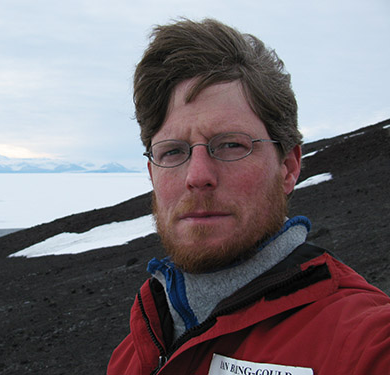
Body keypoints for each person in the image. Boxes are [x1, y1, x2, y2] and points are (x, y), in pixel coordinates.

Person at [107, 18, 390, 375]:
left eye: (230, 145)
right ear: (152, 174)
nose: (197, 177)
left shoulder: (363, 343)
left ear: (287, 167)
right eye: (173, 152)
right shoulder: (136, 348)